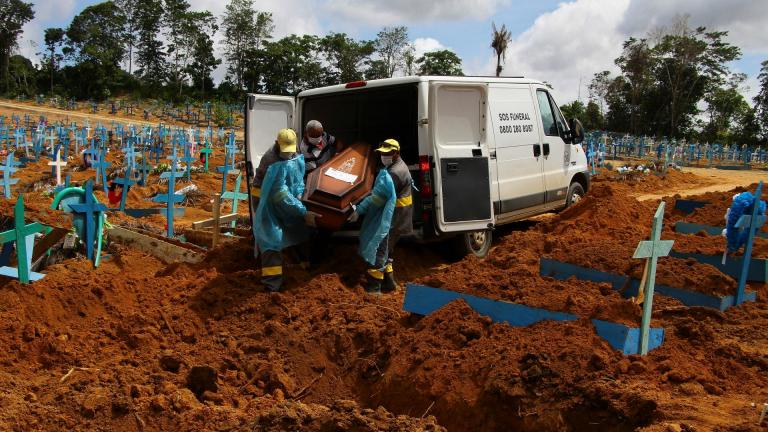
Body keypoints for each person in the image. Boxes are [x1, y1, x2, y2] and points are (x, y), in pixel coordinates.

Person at [253, 128, 319, 292]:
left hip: (286, 198)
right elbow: (279, 194)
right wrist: (302, 211)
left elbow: (297, 176)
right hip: (266, 199)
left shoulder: (294, 153)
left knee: (296, 227)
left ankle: (300, 266)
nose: (288, 154)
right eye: (285, 150)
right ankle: (272, 285)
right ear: (277, 144)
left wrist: (298, 193)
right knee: (272, 238)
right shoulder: (271, 161)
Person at [348, 139, 413, 295]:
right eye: (383, 153)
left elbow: (377, 198)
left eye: (388, 153)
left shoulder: (394, 173)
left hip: (393, 219)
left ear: (396, 153)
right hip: (400, 217)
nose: (384, 156)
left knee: (380, 251)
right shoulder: (399, 166)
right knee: (388, 250)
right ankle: (389, 283)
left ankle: (374, 288)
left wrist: (359, 210)